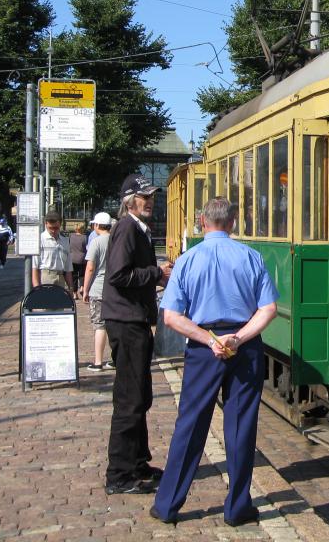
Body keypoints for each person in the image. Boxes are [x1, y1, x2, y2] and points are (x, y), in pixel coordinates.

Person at [150, 197, 278, 525]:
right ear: (232, 223)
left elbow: (171, 318)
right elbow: (268, 310)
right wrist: (238, 338)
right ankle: (237, 508)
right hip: (244, 348)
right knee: (241, 427)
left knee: (190, 425)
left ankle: (167, 505)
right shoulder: (251, 258)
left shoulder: (188, 261)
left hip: (203, 349)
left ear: (202, 222)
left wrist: (209, 339)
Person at [102, 173, 173, 495]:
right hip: (126, 321)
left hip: (133, 320)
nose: (151, 202)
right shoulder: (127, 228)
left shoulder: (137, 230)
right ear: (130, 201)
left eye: (152, 196)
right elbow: (118, 274)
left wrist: (156, 275)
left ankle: (137, 462)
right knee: (130, 400)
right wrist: (157, 273)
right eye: (145, 197)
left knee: (140, 396)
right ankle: (119, 475)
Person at [82, 212, 114, 371]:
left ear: (96, 225)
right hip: (115, 289)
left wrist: (85, 289)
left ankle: (98, 362)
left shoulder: (96, 242)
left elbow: (90, 268)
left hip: (98, 289)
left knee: (99, 326)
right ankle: (115, 359)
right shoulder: (116, 241)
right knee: (114, 325)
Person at [31, 212, 74, 293]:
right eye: (50, 228)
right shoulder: (40, 240)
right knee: (46, 305)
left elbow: (68, 268)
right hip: (45, 278)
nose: (53, 231)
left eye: (56, 228)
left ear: (60, 225)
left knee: (61, 305)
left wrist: (71, 288)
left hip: (61, 278)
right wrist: (37, 289)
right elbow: (35, 267)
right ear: (46, 224)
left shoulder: (65, 241)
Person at [70, 224, 88, 288]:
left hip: (72, 258)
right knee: (82, 275)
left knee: (74, 275)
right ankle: (82, 287)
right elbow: (86, 248)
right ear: (82, 229)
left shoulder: (71, 236)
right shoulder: (84, 237)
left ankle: (75, 293)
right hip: (82, 258)